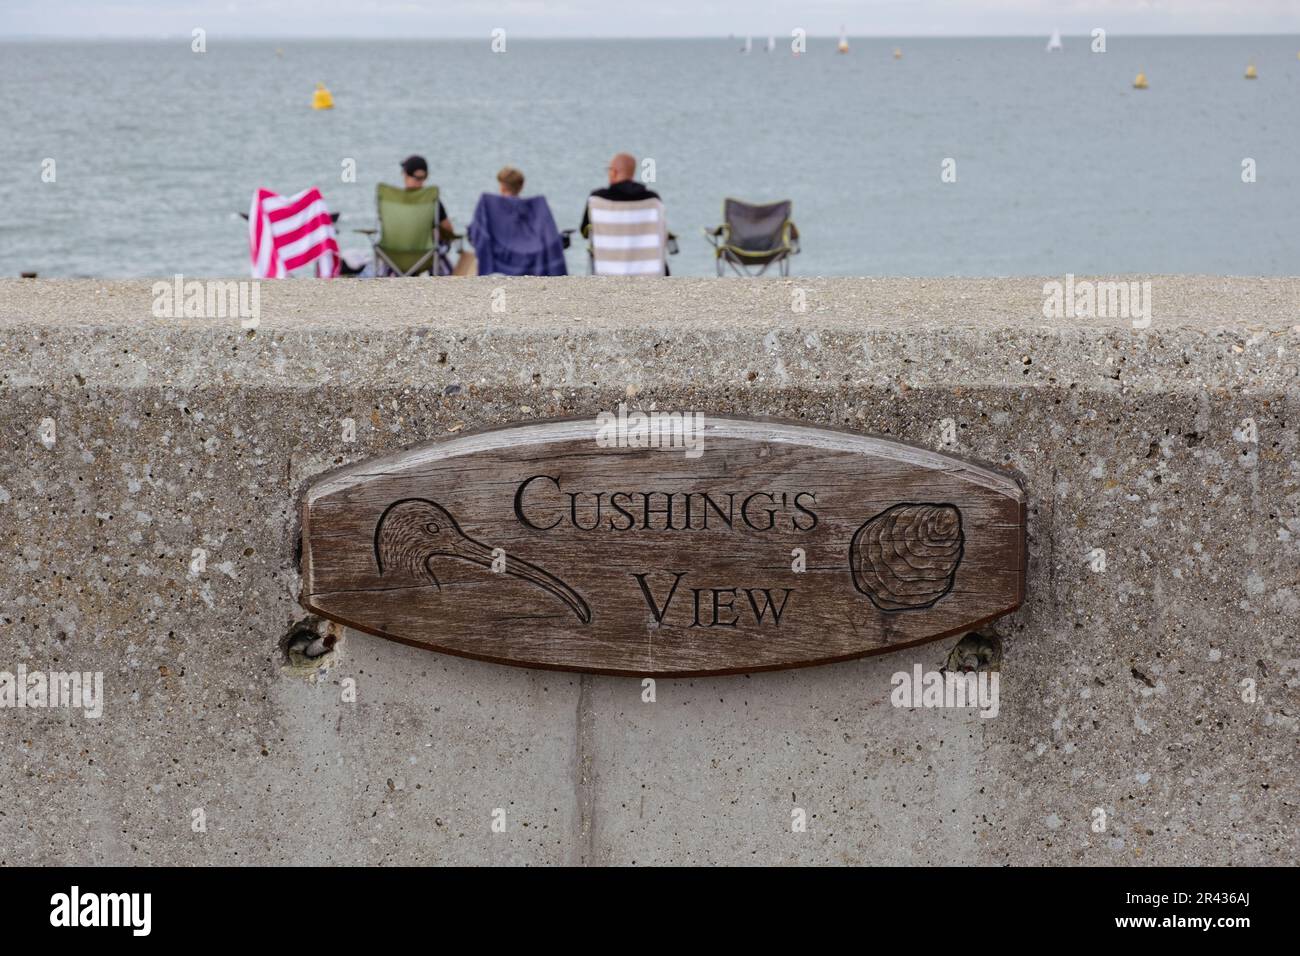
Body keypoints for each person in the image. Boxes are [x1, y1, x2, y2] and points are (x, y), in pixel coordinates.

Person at [467, 166, 567, 276]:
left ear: (501, 187)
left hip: (500, 261)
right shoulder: (536, 210)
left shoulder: (489, 207)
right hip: (534, 260)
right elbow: (549, 237)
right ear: (521, 187)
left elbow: (477, 235)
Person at [578, 153, 660, 237]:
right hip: (644, 250)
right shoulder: (652, 199)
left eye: (609, 170)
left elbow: (585, 233)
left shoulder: (597, 198)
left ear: (614, 172)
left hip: (606, 250)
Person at [400, 154, 454, 240]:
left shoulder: (392, 200)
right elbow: (449, 232)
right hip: (427, 251)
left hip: (393, 250)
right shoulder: (432, 200)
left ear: (405, 174)